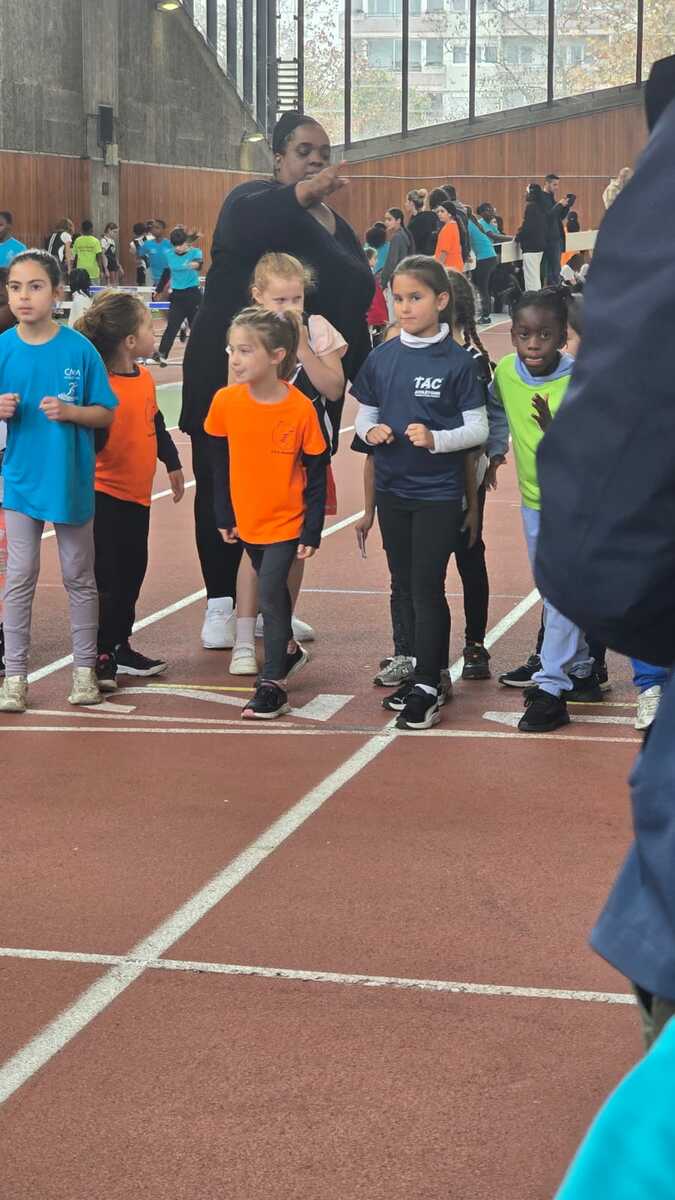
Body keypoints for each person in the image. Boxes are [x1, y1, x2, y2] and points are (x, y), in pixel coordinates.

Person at [180, 110, 374, 653]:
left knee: (287, 491)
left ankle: (271, 606)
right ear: (278, 157)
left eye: (324, 153)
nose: (315, 160)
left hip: (302, 379)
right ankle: (222, 603)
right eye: (303, 151)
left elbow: (354, 294)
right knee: (224, 482)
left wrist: (366, 374)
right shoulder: (251, 199)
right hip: (229, 368)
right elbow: (249, 223)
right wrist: (309, 190)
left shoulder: (334, 224)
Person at [353, 255, 488, 731]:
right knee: (405, 585)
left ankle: (429, 685)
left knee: (428, 587)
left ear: (441, 300)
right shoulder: (382, 357)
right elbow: (364, 416)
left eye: (416, 297)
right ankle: (421, 673)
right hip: (392, 491)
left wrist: (436, 439)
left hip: (437, 494)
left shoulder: (459, 362)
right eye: (398, 298)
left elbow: (478, 429)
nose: (405, 307)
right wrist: (371, 432)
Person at [0, 249, 117, 713]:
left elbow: (105, 412)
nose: (24, 297)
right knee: (19, 575)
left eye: (35, 287)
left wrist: (72, 412)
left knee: (78, 575)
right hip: (19, 481)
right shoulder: (4, 347)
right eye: (15, 287)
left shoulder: (78, 349)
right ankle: (14, 677)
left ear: (57, 293)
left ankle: (85, 671)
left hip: (69, 481)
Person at [486, 288, 602, 732]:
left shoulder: (582, 381)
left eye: (545, 335)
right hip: (534, 501)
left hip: (577, 503)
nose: (533, 344)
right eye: (524, 334)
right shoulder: (505, 372)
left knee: (558, 592)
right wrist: (495, 451)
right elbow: (496, 407)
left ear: (562, 336)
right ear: (513, 334)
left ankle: (551, 689)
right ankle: (582, 666)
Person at [205, 307, 328, 720]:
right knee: (271, 591)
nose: (235, 359)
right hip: (248, 520)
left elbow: (316, 472)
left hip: (287, 520)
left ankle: (273, 684)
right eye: (232, 350)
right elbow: (218, 463)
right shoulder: (225, 402)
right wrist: (224, 513)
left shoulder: (300, 409)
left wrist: (311, 529)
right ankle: (288, 650)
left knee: (271, 593)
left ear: (276, 356)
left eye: (245, 351)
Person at [227, 251, 345, 676]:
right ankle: (244, 638)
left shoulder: (318, 329)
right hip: (260, 461)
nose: (291, 308)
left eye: (297, 299)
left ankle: (282, 627)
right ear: (258, 296)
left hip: (305, 458)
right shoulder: (247, 335)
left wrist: (302, 346)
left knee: (296, 548)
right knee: (253, 548)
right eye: (280, 300)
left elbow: (334, 389)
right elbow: (233, 393)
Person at [76, 291, 184, 690]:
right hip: (104, 495)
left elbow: (155, 422)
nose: (155, 332)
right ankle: (100, 651)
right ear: (130, 341)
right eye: (149, 327)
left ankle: (120, 643)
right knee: (108, 577)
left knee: (133, 572)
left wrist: (172, 462)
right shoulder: (101, 386)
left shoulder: (145, 378)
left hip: (138, 497)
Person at [445, 269, 494, 680]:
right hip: (422, 478)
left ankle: (475, 643)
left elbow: (482, 431)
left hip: (465, 479)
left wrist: (475, 492)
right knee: (419, 569)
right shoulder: (415, 355)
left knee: (469, 554)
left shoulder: (474, 362)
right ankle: (413, 649)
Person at [153, 226, 203, 366]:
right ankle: (162, 354)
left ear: (186, 242)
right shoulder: (169, 255)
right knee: (172, 327)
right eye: (175, 246)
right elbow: (167, 273)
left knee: (197, 328)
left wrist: (192, 265)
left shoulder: (195, 252)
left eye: (180, 245)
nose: (178, 248)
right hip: (177, 296)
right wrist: (158, 290)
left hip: (193, 295)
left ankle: (202, 355)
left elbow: (199, 265)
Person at [541, 174, 576, 284]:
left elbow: (559, 217)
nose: (556, 187)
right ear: (546, 183)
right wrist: (560, 205)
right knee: (553, 272)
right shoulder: (542, 198)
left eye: (557, 185)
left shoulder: (551, 197)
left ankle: (555, 289)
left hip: (556, 238)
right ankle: (555, 291)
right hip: (549, 239)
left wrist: (567, 206)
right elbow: (549, 217)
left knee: (555, 271)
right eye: (554, 184)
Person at [380, 208, 414, 317]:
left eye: (389, 219)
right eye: (385, 219)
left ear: (398, 220)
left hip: (396, 279)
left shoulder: (397, 237)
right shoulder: (405, 234)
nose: (386, 222)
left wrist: (383, 282)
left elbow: (391, 262)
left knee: (393, 315)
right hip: (405, 277)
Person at [467, 207, 497, 324]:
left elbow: (465, 242)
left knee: (482, 287)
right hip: (490, 257)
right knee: (478, 285)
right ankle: (483, 312)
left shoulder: (468, 225)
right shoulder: (474, 223)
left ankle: (485, 315)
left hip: (485, 258)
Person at [515, 183, 548, 292]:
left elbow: (528, 227)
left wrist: (518, 236)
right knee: (535, 275)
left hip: (531, 246)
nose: (525, 194)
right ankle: (537, 296)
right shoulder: (541, 207)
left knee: (531, 277)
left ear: (532, 194)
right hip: (539, 245)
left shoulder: (531, 207)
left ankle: (534, 298)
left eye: (527, 192)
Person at [431, 191, 463, 272]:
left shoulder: (448, 228)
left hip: (449, 268)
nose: (439, 214)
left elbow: (443, 252)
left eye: (442, 211)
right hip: (455, 267)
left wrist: (437, 269)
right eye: (438, 211)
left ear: (449, 214)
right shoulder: (454, 225)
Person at [72, 220, 108, 285]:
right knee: (95, 291)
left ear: (82, 229)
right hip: (93, 272)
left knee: (82, 290)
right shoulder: (95, 241)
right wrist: (101, 271)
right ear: (91, 229)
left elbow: (75, 258)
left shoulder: (77, 241)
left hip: (80, 271)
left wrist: (73, 270)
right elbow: (99, 258)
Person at [406, 190, 439, 255]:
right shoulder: (432, 216)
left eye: (407, 202)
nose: (405, 204)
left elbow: (411, 245)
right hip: (433, 255)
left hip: (420, 257)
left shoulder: (414, 223)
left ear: (411, 203)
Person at [142, 219, 172, 290]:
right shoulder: (147, 244)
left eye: (157, 228)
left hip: (167, 277)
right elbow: (138, 257)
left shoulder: (170, 244)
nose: (154, 230)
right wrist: (146, 266)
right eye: (152, 228)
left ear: (163, 230)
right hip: (151, 277)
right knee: (151, 295)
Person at [130, 222, 149, 286]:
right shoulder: (150, 238)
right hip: (152, 267)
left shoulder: (132, 243)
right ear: (144, 231)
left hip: (141, 267)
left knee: (142, 286)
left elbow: (135, 259)